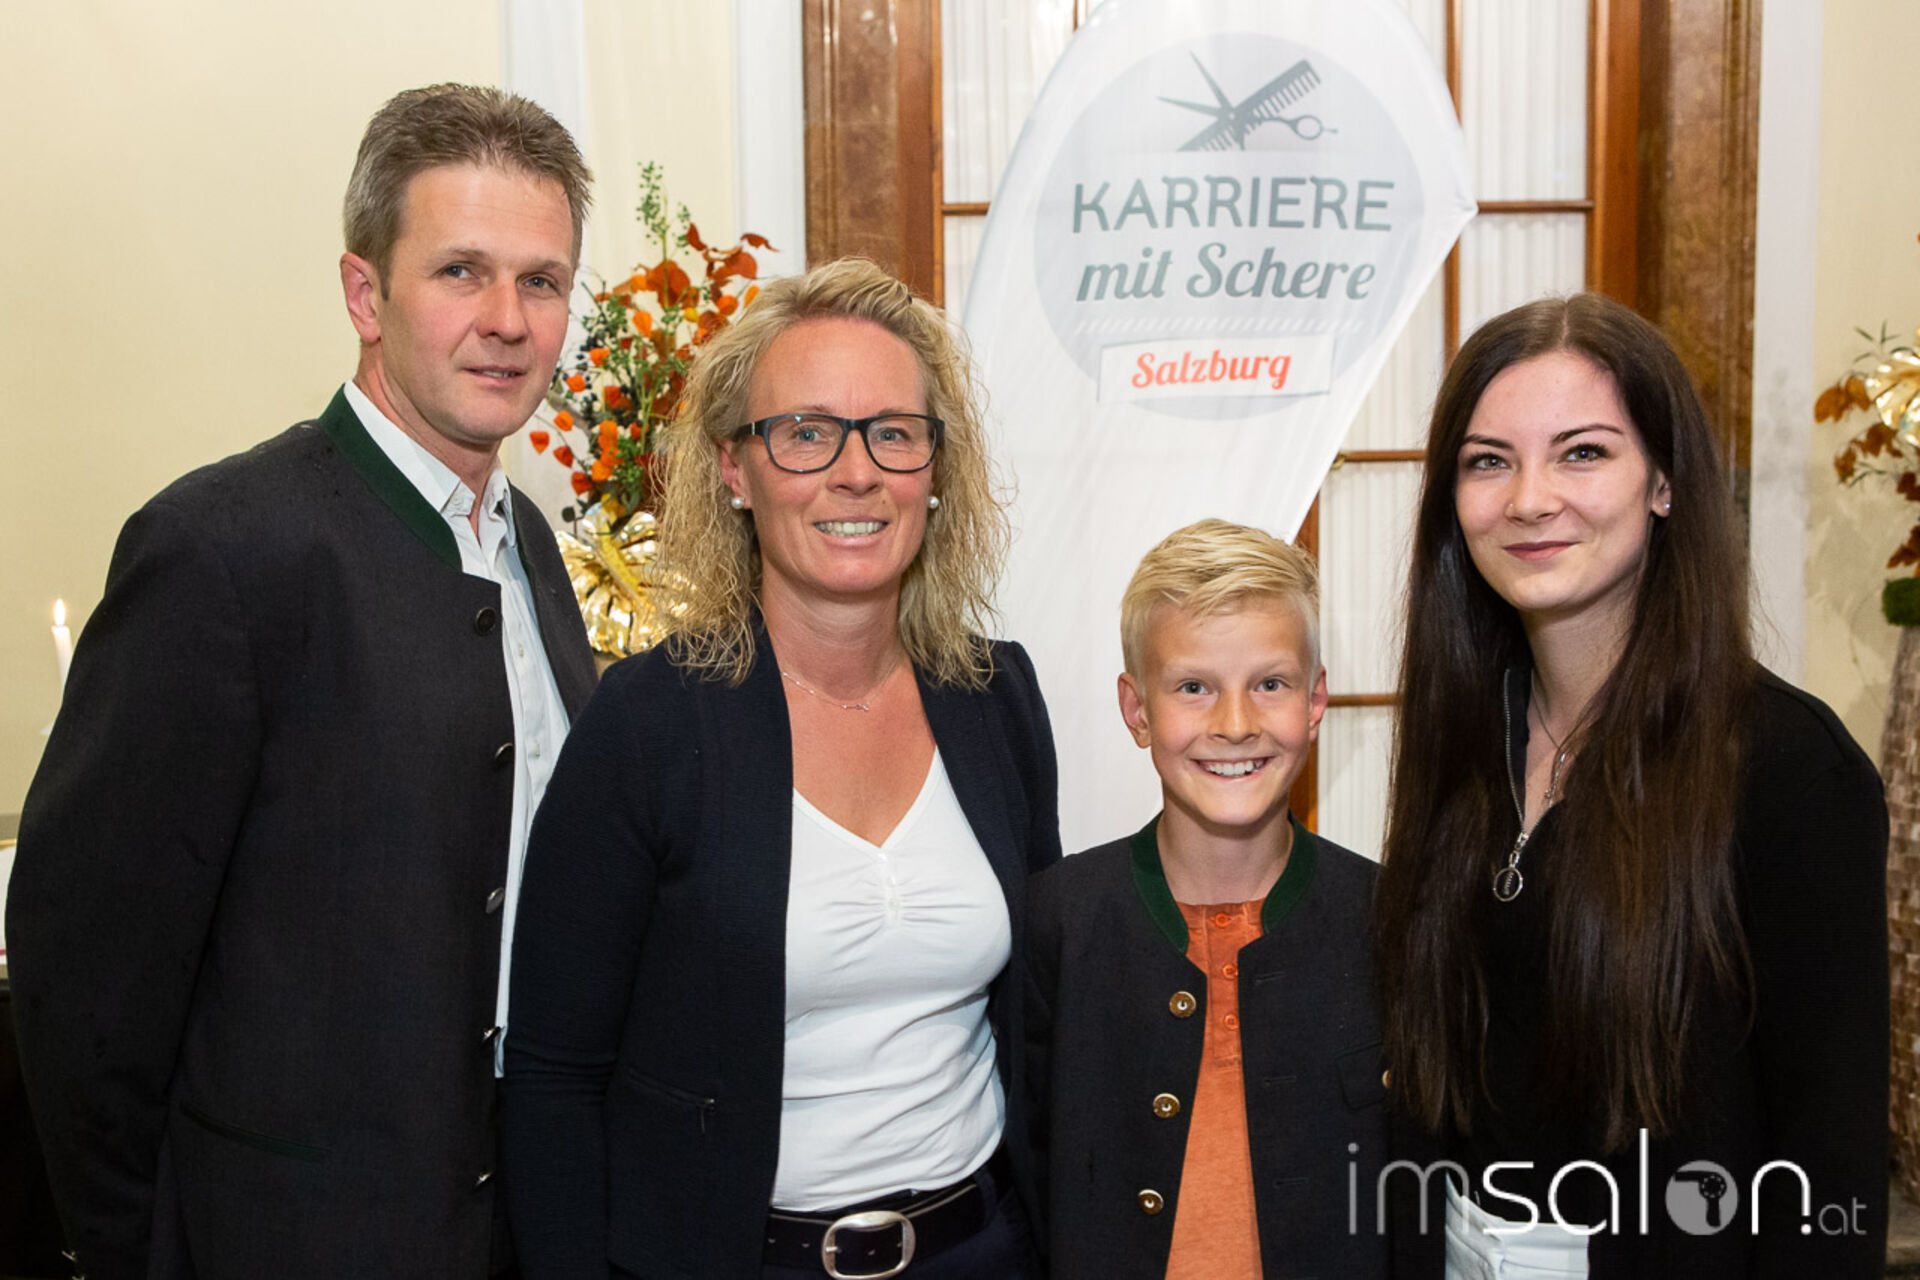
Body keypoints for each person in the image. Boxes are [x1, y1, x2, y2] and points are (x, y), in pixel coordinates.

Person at [8, 84, 599, 1279]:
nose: (507, 320)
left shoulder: (529, 545)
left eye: (541, 281)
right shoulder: (221, 551)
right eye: (461, 271)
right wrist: (143, 1250)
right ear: (363, 294)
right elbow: (86, 972)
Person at [501, 257, 1060, 1279]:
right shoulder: (647, 726)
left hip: (985, 1250)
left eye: (894, 432)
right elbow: (552, 1077)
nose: (858, 472)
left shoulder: (997, 698)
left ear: (935, 468)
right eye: (806, 432)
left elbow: (1040, 1020)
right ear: (734, 468)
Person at [1375, 293, 1890, 1277]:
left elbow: (1832, 1170)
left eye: (1582, 452)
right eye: (1488, 460)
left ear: (1663, 481)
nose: (1530, 498)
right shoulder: (1467, 736)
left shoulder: (1787, 769)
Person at [1025, 518, 1390, 1280]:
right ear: (1137, 711)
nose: (1235, 725)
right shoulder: (1059, 920)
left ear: (1315, 700)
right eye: (1193, 688)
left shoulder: (1389, 921)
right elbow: (1023, 1182)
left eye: (1270, 684)